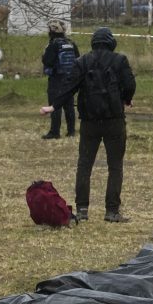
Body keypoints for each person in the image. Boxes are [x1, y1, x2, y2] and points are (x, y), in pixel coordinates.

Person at [42, 27, 136, 223]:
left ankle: (82, 209)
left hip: (89, 122)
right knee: (115, 166)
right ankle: (112, 211)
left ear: (93, 43)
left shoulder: (82, 61)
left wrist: (53, 106)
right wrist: (126, 99)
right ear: (111, 43)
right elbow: (130, 85)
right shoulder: (120, 60)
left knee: (84, 166)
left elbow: (69, 86)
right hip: (114, 121)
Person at [41, 20, 79, 140]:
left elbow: (47, 61)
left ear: (51, 31)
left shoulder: (53, 44)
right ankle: (71, 131)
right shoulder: (71, 43)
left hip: (56, 78)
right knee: (69, 105)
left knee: (54, 105)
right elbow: (78, 59)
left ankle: (54, 132)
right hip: (70, 79)